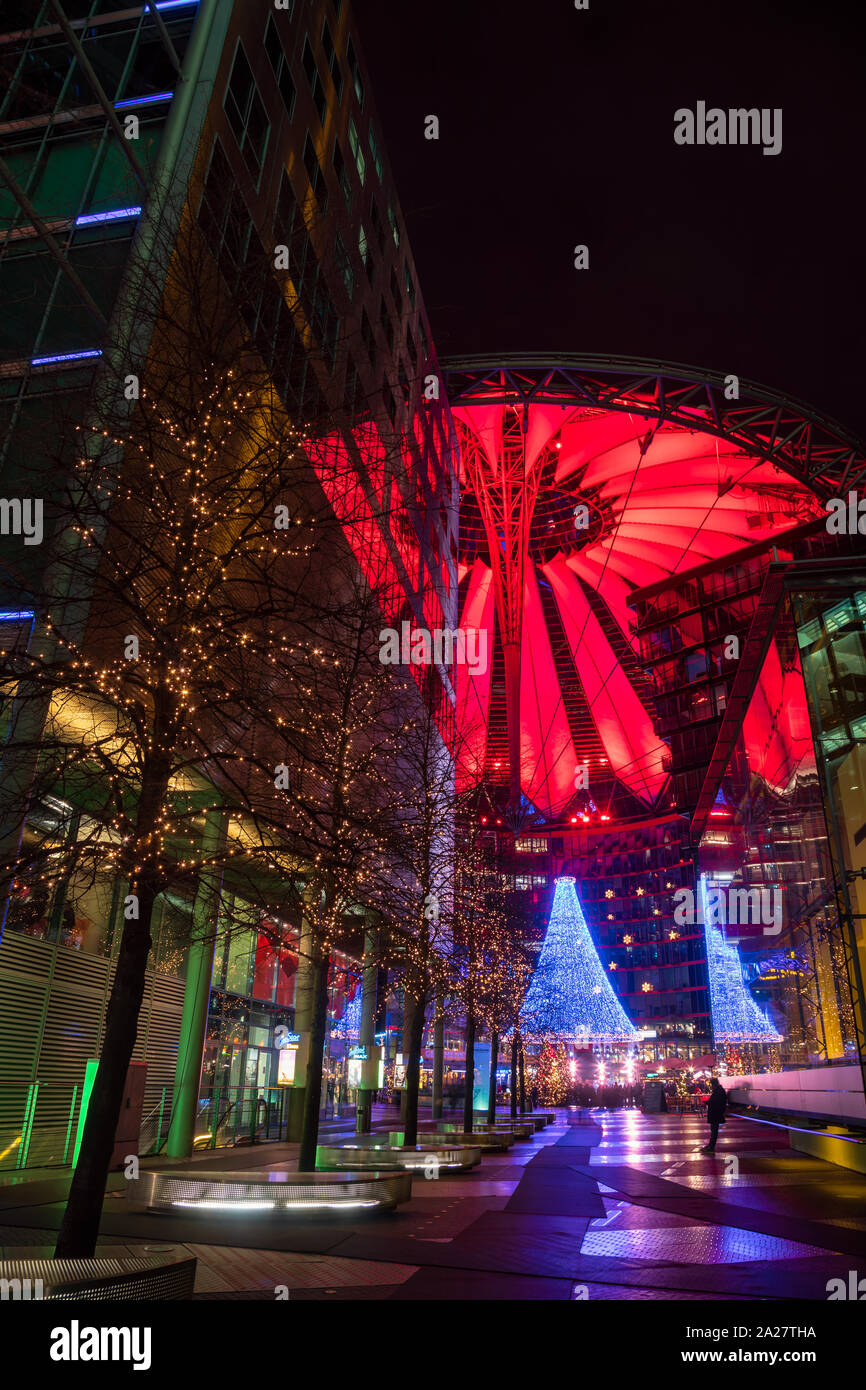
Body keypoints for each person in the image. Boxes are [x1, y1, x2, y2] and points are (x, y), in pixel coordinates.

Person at [702, 1077, 727, 1153]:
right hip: (716, 1113)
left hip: (716, 1113)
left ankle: (711, 1147)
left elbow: (715, 1102)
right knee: (713, 1131)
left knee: (714, 1131)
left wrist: (707, 1102)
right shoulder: (719, 1090)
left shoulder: (718, 1091)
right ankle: (710, 1145)